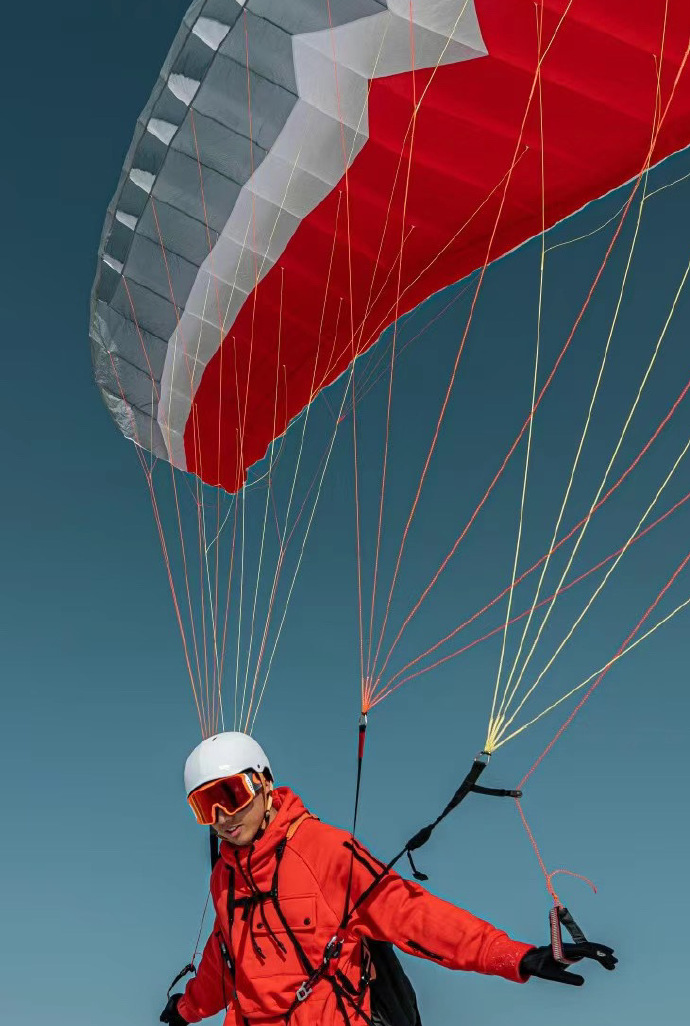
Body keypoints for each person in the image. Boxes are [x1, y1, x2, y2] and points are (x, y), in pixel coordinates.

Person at [160, 732, 616, 1026]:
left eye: (230, 796)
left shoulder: (324, 851)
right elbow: (225, 963)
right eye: (205, 807)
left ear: (262, 782)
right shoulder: (225, 878)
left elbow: (412, 914)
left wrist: (514, 956)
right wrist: (186, 1010)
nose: (222, 818)